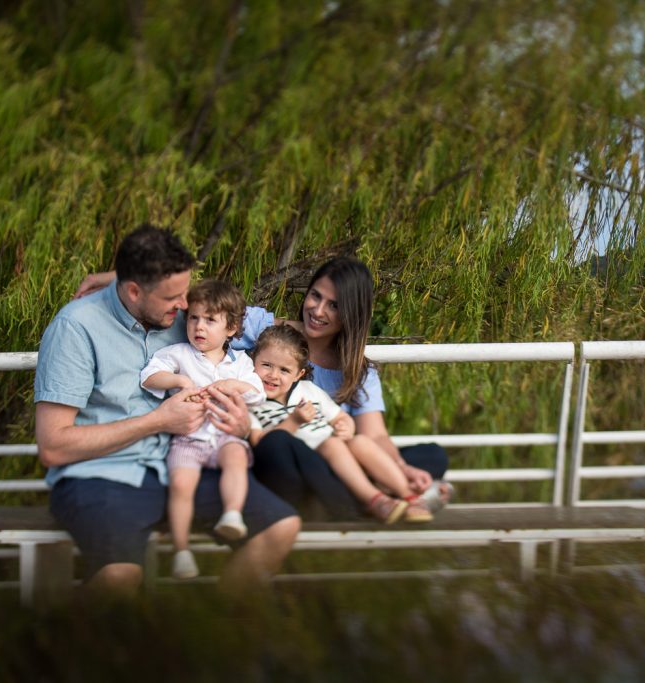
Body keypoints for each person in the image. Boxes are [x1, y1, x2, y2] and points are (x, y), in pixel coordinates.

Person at [74, 256, 451, 521]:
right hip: (280, 458)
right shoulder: (262, 331)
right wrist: (121, 279)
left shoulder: (359, 372)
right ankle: (375, 498)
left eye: (334, 305)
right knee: (282, 444)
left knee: (430, 456)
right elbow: (203, 297)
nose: (318, 310)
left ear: (352, 313)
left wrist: (402, 466)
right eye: (315, 295)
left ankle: (377, 493)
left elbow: (375, 437)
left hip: (339, 461)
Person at [36, 224, 299, 598]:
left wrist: (241, 425)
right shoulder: (75, 328)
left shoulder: (188, 316)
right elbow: (53, 446)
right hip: (104, 476)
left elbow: (253, 323)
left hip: (181, 463)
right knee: (120, 577)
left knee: (281, 526)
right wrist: (158, 421)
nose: (184, 307)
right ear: (133, 291)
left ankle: (221, 630)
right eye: (174, 298)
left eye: (185, 294)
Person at [140, 279, 266, 580]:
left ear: (232, 328)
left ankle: (232, 514)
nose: (199, 326)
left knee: (236, 459)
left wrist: (235, 385)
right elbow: (149, 376)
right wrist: (179, 381)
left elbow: (258, 394)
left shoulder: (240, 363)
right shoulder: (178, 355)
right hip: (189, 438)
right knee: (182, 484)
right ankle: (182, 551)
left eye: (211, 320)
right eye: (194, 317)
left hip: (224, 434)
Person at [247, 325, 434, 524]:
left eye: (284, 370)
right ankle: (375, 499)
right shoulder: (251, 402)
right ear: (252, 362)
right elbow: (260, 443)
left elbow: (338, 417)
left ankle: (409, 497)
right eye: (266, 365)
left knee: (360, 441)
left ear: (298, 374)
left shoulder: (308, 390)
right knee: (331, 444)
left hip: (340, 456)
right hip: (309, 466)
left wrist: (346, 427)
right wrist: (293, 422)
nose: (273, 375)